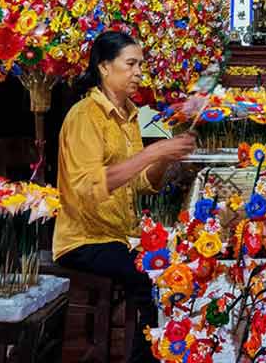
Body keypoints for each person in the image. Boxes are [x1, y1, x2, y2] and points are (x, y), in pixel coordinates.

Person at [53, 31, 197, 363]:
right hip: (84, 240)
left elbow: (143, 183)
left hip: (119, 236)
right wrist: (153, 152)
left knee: (175, 266)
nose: (138, 73)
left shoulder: (129, 114)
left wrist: (164, 157)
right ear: (104, 67)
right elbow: (88, 186)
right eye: (130, 64)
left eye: (140, 65)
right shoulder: (84, 116)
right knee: (151, 278)